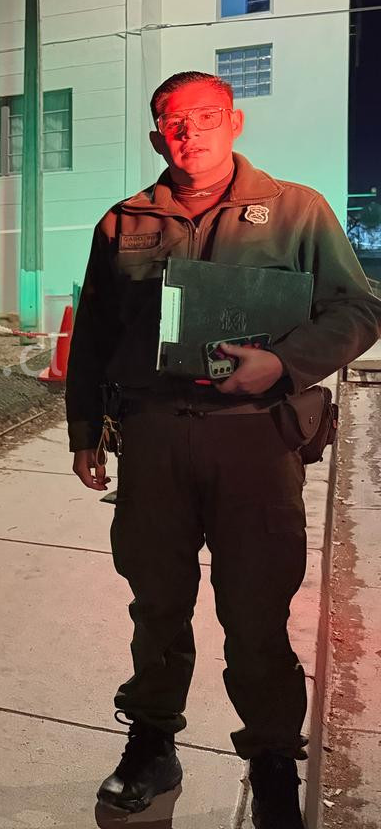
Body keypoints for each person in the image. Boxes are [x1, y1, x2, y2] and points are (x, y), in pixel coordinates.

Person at [68, 71, 381, 828]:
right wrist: (85, 432)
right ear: (157, 137)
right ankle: (151, 744)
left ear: (234, 122)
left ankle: (272, 759)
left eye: (205, 116)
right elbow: (95, 337)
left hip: (254, 441)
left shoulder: (296, 210)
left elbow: (358, 309)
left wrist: (284, 364)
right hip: (154, 440)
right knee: (156, 605)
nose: (190, 132)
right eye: (173, 122)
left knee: (256, 610)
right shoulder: (124, 223)